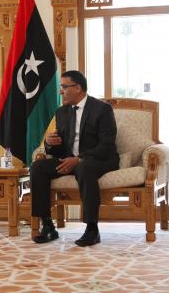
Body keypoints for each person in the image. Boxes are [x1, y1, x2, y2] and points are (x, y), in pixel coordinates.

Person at [30, 70, 119, 246]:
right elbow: (61, 149)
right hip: (70, 159)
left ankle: (92, 229)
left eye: (64, 86)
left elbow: (106, 145)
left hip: (99, 159)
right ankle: (48, 225)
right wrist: (50, 143)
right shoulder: (62, 112)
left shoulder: (102, 109)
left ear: (77, 88)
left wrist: (79, 159)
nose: (60, 91)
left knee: (85, 168)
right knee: (38, 167)